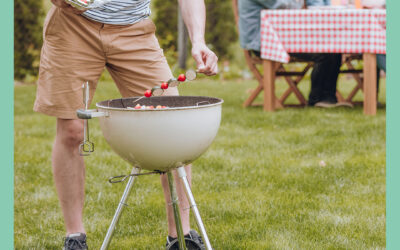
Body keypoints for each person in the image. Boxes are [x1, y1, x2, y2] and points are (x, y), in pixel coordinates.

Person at [33, 0, 218, 249]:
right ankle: (75, 236)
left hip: (134, 29)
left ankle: (180, 236)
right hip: (73, 26)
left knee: (172, 125)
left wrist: (198, 40)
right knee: (72, 130)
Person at [238, 0, 349, 108]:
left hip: (281, 38)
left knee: (333, 48)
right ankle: (316, 100)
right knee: (324, 53)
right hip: (264, 42)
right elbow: (283, 5)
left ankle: (329, 98)